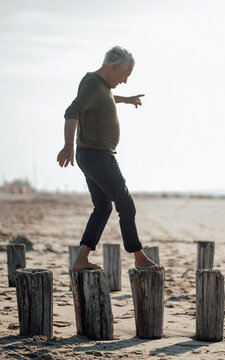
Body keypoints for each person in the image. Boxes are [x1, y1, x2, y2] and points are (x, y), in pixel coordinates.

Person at [57, 46, 159, 271]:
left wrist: (126, 99)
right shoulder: (94, 83)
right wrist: (67, 146)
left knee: (103, 207)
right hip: (97, 155)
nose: (124, 80)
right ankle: (140, 257)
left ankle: (81, 259)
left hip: (94, 154)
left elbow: (107, 98)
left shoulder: (100, 86)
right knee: (125, 203)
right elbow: (72, 111)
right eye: (125, 75)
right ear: (114, 67)